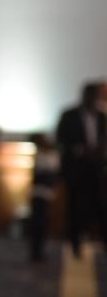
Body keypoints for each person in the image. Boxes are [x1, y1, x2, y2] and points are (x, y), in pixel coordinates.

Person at [55, 81, 107, 258]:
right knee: (75, 206)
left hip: (95, 168)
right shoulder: (69, 115)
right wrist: (80, 149)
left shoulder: (101, 117)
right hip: (76, 169)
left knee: (99, 203)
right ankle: (74, 242)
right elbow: (60, 138)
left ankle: (97, 238)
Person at [29, 133, 60, 262]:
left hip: (46, 192)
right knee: (38, 222)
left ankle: (38, 250)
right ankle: (35, 251)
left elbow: (52, 173)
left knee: (42, 223)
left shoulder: (52, 155)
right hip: (38, 192)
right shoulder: (41, 155)